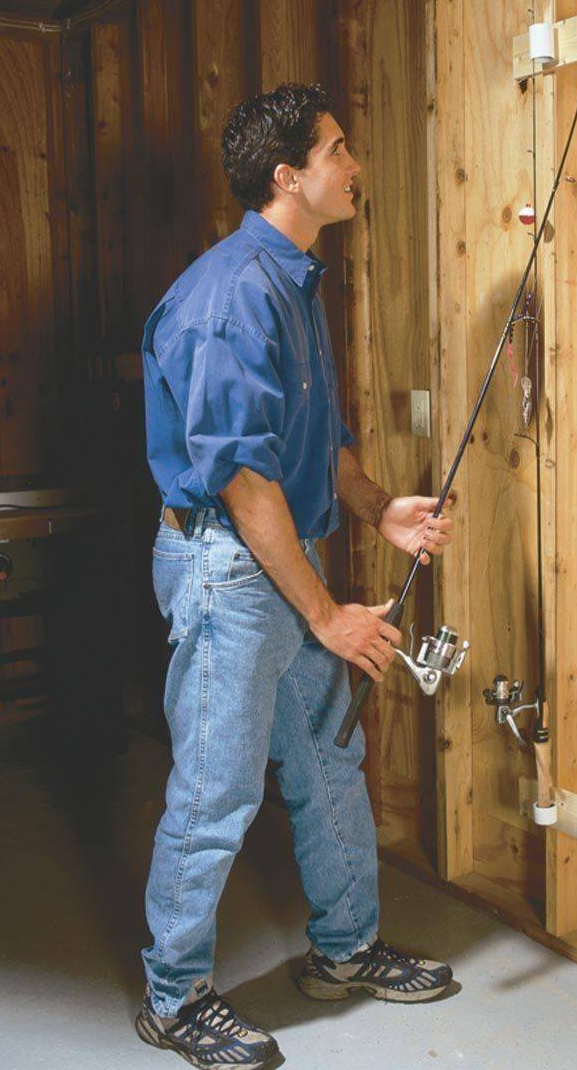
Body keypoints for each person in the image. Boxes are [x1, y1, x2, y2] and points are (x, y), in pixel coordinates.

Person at [137, 83, 455, 1069]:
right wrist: (327, 617)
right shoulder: (229, 297)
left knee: (325, 768)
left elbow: (315, 446)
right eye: (339, 148)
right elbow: (243, 482)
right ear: (289, 176)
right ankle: (175, 996)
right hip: (227, 571)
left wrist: (376, 510)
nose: (354, 164)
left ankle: (345, 951)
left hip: (283, 559)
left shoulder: (295, 278)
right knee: (216, 793)